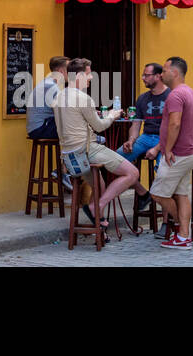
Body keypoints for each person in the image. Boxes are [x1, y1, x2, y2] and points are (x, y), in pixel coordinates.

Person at [53, 58, 138, 232]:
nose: (91, 77)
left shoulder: (59, 96)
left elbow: (74, 119)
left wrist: (93, 115)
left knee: (100, 185)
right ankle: (95, 208)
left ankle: (98, 222)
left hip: (69, 154)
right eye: (88, 74)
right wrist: (112, 116)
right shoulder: (84, 98)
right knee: (132, 173)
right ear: (78, 75)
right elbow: (100, 126)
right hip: (87, 150)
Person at [148, 56, 193, 249]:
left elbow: (175, 123)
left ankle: (180, 227)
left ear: (175, 72)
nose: (161, 74)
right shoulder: (191, 93)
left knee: (157, 194)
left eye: (164, 70)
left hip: (177, 155)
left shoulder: (175, 95)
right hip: (189, 152)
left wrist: (168, 149)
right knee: (181, 194)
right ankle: (183, 237)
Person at [121, 62, 170, 212]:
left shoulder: (171, 96)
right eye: (143, 75)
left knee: (163, 172)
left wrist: (157, 148)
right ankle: (143, 193)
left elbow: (173, 129)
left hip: (166, 139)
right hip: (146, 137)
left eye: (146, 75)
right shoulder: (142, 98)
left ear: (158, 76)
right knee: (115, 160)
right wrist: (131, 140)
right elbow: (136, 124)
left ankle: (167, 219)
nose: (143, 78)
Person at [25, 55, 67, 141]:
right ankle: (90, 144)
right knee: (73, 126)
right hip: (40, 129)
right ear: (61, 71)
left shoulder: (47, 82)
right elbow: (64, 110)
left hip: (37, 127)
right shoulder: (51, 86)